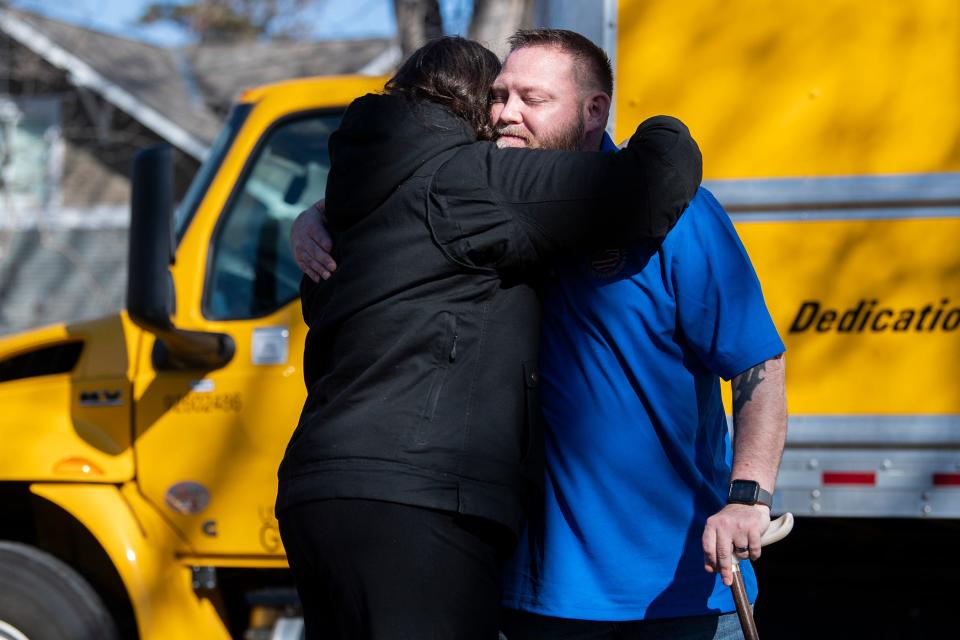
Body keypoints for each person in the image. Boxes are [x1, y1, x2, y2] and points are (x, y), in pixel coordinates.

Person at [292, 29, 787, 640]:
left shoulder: (677, 215)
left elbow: (758, 365)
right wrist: (320, 214)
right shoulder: (488, 207)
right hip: (531, 598)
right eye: (498, 95)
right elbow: (401, 203)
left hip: (673, 590)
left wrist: (748, 496)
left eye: (533, 98)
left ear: (593, 109)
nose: (506, 113)